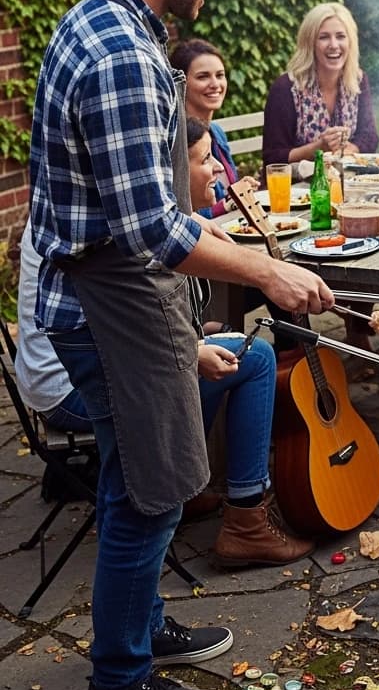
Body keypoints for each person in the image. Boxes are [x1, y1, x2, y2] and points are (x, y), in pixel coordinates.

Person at [28, 0, 334, 690]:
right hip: (108, 306)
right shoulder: (124, 54)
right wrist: (268, 274)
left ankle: (145, 628)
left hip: (123, 305)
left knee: (146, 473)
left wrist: (182, 338)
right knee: (150, 492)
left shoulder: (106, 23)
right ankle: (119, 679)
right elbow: (152, 229)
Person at [15, 117, 316, 568]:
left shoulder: (85, 210)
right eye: (202, 160)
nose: (219, 170)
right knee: (256, 357)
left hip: (71, 367)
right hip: (73, 386)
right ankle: (246, 520)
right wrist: (191, 351)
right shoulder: (113, 229)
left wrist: (192, 339)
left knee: (234, 343)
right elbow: (116, 313)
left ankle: (192, 489)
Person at [262, 1, 378, 164]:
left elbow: (369, 137)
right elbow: (273, 157)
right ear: (310, 44)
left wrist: (348, 151)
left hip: (344, 182)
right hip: (297, 186)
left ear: (350, 41)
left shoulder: (357, 80)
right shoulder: (285, 89)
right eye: (324, 37)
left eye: (340, 36)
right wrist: (319, 148)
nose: (333, 45)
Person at [168, 37, 259, 218]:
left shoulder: (216, 132)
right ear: (181, 84)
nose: (215, 84)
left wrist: (241, 188)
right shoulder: (179, 139)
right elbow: (181, 214)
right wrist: (226, 206)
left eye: (220, 75)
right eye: (203, 77)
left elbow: (227, 192)